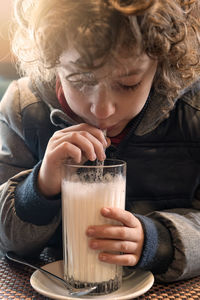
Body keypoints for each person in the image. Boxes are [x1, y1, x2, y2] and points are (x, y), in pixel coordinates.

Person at [0, 0, 200, 283]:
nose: (103, 110)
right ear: (52, 62)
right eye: (80, 80)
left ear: (161, 63)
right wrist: (40, 187)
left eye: (128, 83)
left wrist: (159, 241)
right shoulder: (23, 110)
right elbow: (5, 240)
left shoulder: (193, 112)